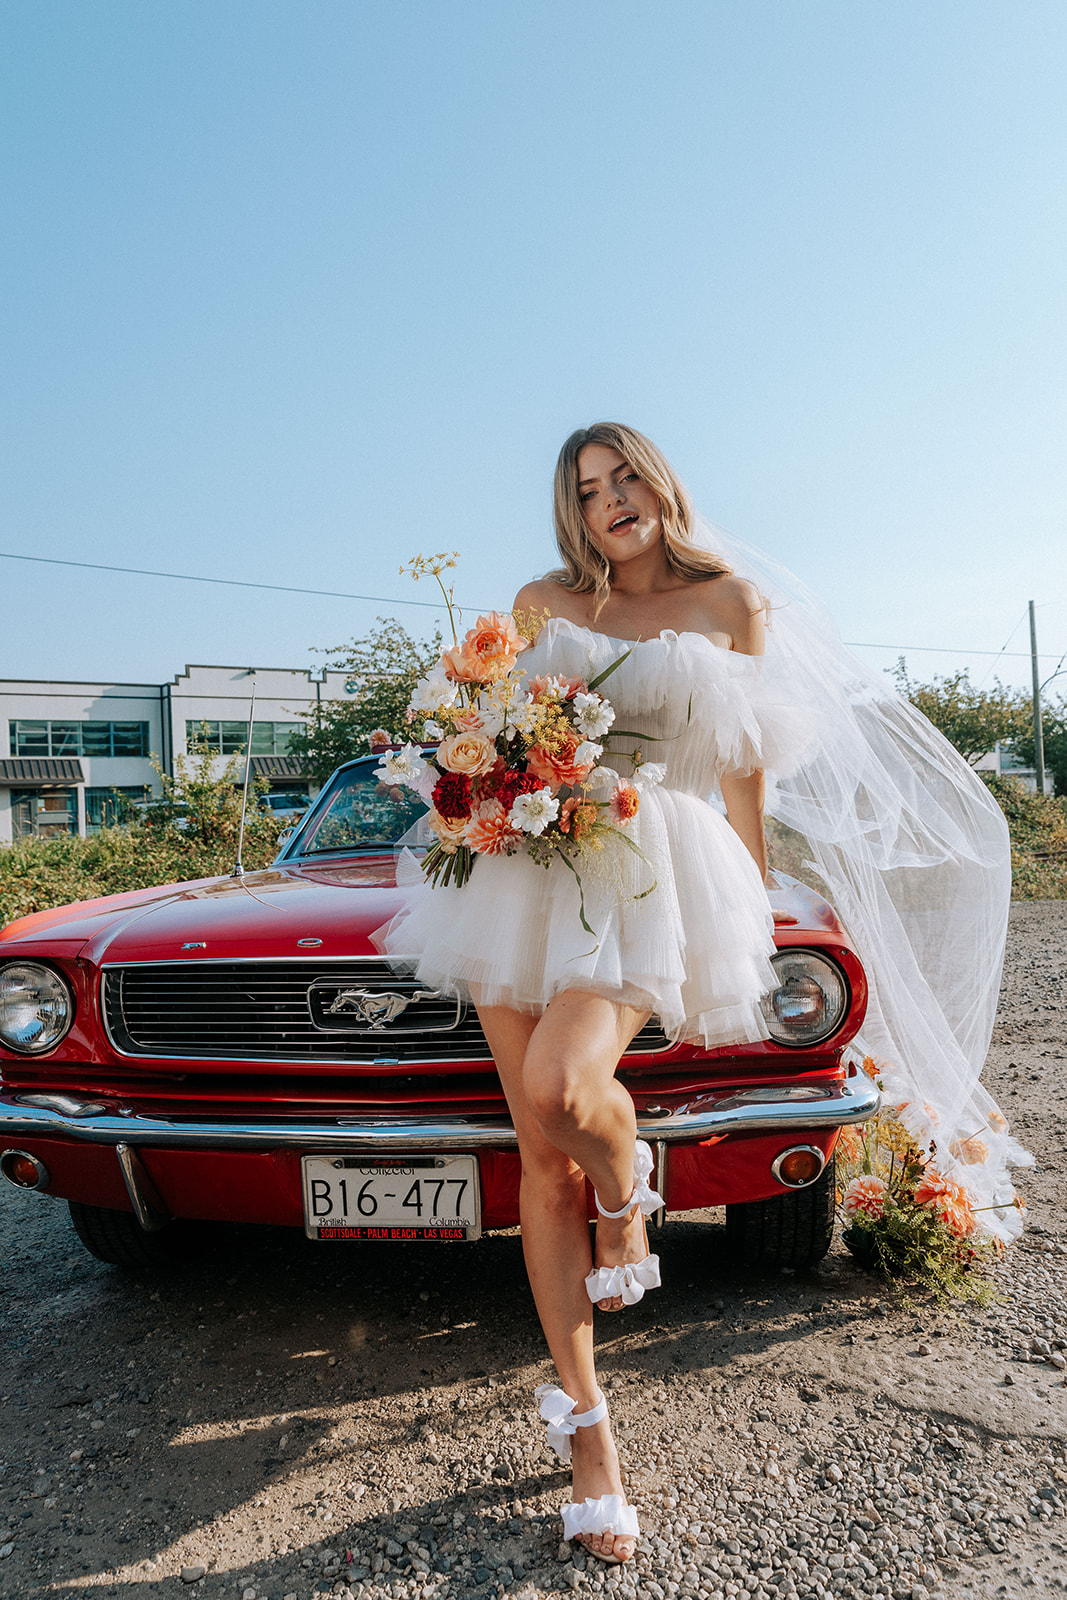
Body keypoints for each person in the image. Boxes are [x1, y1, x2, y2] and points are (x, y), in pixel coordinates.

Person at [379, 421, 792, 1564]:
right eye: (586, 489)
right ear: (572, 510)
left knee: (567, 1094)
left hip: (646, 862)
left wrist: (754, 901)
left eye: (622, 479)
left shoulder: (728, 605)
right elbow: (482, 727)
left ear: (658, 484)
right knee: (534, 1152)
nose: (609, 501)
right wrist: (469, 776)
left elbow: (745, 759)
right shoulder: (539, 598)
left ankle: (631, 1174)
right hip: (520, 866)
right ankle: (589, 1437)